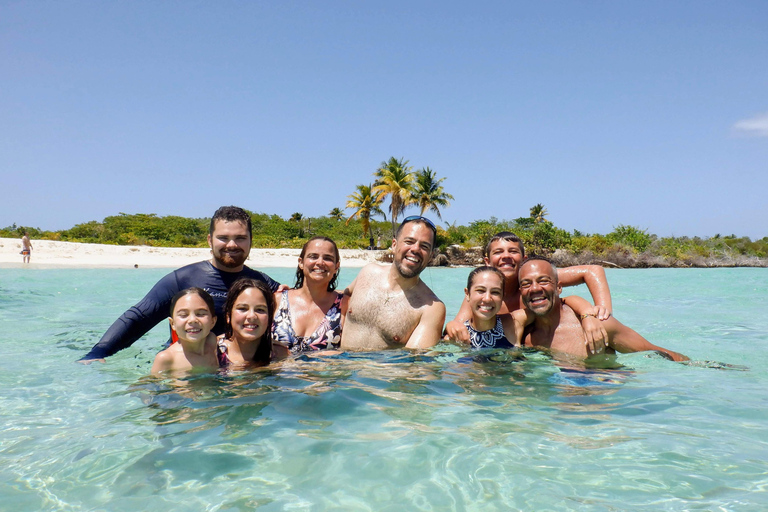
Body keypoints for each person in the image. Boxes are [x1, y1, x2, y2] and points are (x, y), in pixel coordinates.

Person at [80, 206, 281, 362]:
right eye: (223, 238)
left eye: (240, 238)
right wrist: (98, 352)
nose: (231, 245)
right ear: (210, 240)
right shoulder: (182, 280)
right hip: (186, 368)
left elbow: (298, 308)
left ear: (251, 241)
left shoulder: (263, 284)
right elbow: (139, 317)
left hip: (238, 370)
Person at [445, 231, 613, 350]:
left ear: (524, 259)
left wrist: (600, 313)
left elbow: (591, 271)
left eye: (513, 251)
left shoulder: (534, 284)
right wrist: (451, 325)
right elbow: (457, 326)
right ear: (487, 261)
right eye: (498, 252)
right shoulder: (483, 296)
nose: (506, 256)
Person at [518, 256, 689, 361]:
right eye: (526, 284)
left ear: (558, 287)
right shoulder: (524, 336)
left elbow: (657, 352)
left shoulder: (599, 326)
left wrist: (701, 368)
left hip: (605, 405)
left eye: (543, 281)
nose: (534, 289)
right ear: (521, 292)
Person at [341, 216, 446, 350]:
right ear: (394, 245)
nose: (415, 249)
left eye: (424, 246)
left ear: (431, 255)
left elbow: (417, 364)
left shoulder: (431, 308)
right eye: (409, 241)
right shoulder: (367, 273)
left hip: (383, 371)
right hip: (340, 367)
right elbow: (342, 297)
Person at [463, 265, 601, 352]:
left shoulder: (513, 322)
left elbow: (557, 303)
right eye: (480, 291)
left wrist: (586, 313)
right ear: (467, 294)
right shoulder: (456, 335)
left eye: (495, 292)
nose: (487, 298)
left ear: (502, 296)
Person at [272, 236, 344, 355]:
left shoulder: (344, 306)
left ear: (336, 267)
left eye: (328, 258)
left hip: (324, 373)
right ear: (301, 262)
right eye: (313, 256)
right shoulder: (277, 300)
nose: (320, 262)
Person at [151, 288, 221, 374]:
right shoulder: (167, 358)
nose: (192, 320)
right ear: (172, 324)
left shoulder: (212, 342)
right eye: (183, 315)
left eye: (201, 314)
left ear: (213, 321)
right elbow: (151, 384)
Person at [218, 278, 275, 366]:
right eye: (243, 309)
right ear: (228, 316)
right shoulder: (211, 351)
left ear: (269, 316)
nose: (251, 316)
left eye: (260, 310)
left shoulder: (280, 354)